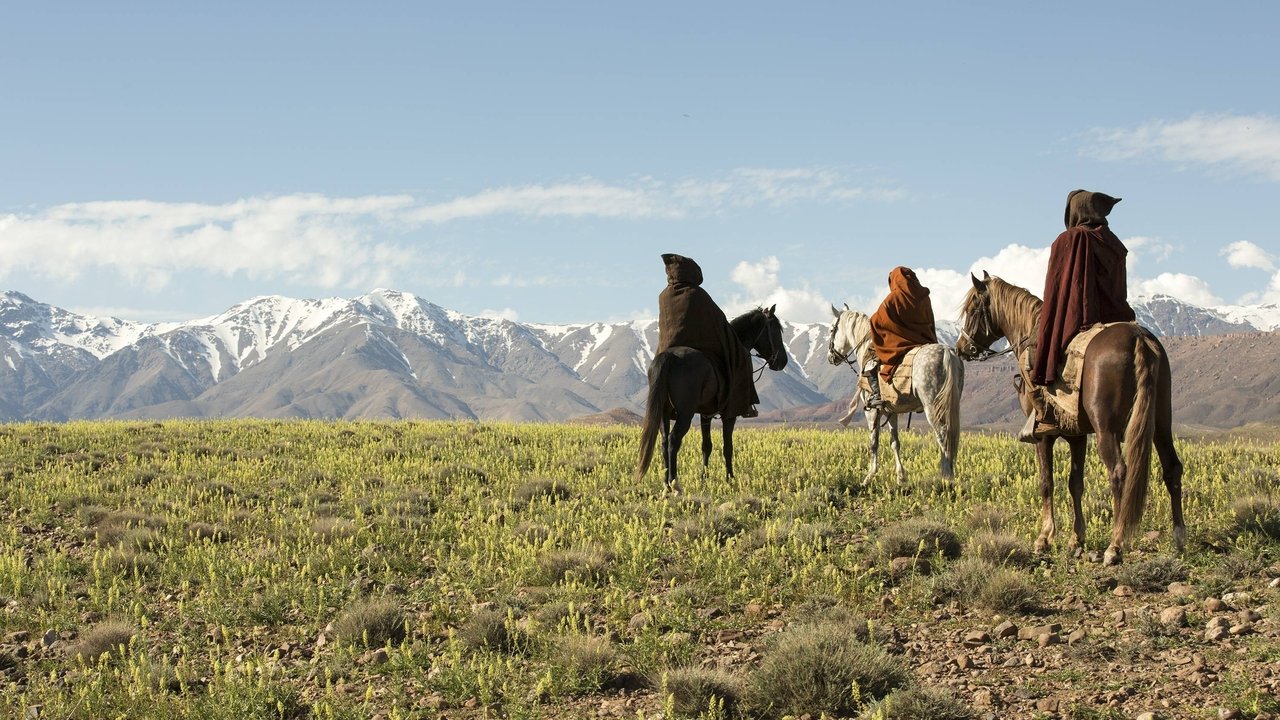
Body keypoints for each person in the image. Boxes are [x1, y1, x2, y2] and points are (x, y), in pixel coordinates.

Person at [1022, 189, 1136, 441]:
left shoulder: (1069, 239)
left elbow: (1058, 287)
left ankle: (1044, 414)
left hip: (1081, 316)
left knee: (1033, 352)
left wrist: (1052, 321)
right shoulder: (1114, 242)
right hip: (1118, 317)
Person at [656, 253, 759, 419]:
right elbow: (718, 321)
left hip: (666, 346)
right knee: (741, 358)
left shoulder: (663, 296)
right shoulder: (697, 293)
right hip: (699, 344)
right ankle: (743, 404)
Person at [866, 266, 938, 409]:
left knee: (871, 362)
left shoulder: (894, 298)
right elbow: (931, 321)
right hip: (925, 340)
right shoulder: (924, 297)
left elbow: (876, 320)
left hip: (902, 342)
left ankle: (876, 395)